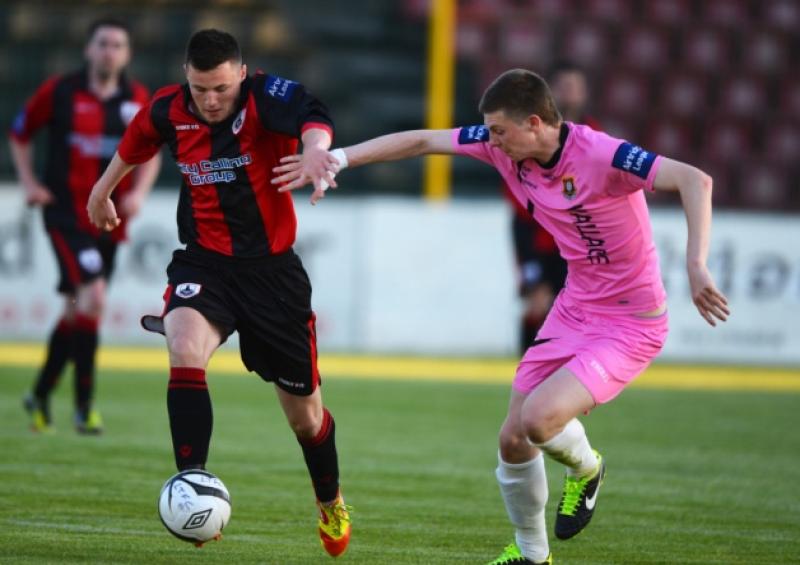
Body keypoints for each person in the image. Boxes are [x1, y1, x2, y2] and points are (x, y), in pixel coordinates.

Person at [273, 69, 730, 564]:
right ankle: (533, 554)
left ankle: (586, 468)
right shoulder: (502, 147)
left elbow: (694, 179)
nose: (489, 141)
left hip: (631, 321)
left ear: (534, 123)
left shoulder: (601, 153)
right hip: (575, 307)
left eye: (498, 131)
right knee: (513, 440)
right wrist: (336, 157)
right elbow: (422, 140)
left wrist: (696, 264)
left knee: (538, 419)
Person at [86, 29, 350, 556]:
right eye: (201, 88)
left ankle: (330, 499)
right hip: (203, 262)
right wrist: (101, 190)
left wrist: (317, 151)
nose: (211, 101)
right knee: (183, 344)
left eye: (222, 89)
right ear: (187, 76)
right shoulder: (167, 108)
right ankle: (193, 488)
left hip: (273, 277)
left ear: (242, 75)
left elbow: (313, 115)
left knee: (306, 416)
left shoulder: (265, 96)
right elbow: (132, 146)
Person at [9, 18, 160, 435]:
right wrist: (30, 183)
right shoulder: (60, 91)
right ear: (89, 50)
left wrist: (140, 192)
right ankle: (84, 408)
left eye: (118, 45)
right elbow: (20, 132)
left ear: (126, 54)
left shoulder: (137, 99)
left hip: (111, 221)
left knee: (78, 308)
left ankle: (39, 395)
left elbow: (154, 152)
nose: (110, 51)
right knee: (91, 299)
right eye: (103, 43)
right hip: (66, 215)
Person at [508, 61, 600, 354]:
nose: (569, 94)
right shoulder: (529, 135)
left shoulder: (595, 135)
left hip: (577, 243)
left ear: (585, 93)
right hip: (538, 238)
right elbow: (519, 205)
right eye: (563, 87)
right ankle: (525, 369)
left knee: (574, 313)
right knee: (538, 304)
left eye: (575, 88)